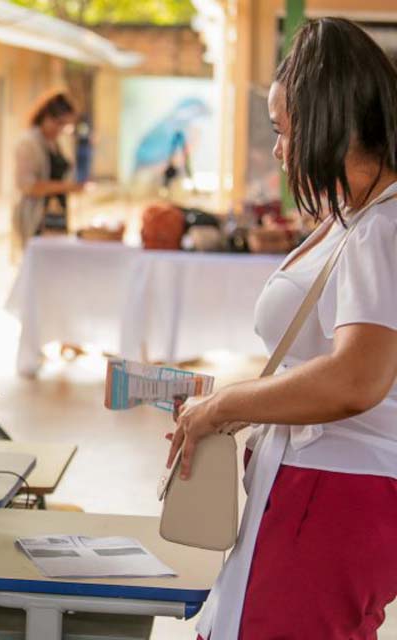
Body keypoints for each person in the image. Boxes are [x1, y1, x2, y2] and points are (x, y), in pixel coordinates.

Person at [167, 18, 397, 639]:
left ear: (325, 122)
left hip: (337, 492)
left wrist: (228, 407)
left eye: (282, 130)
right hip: (313, 484)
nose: (278, 148)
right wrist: (233, 405)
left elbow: (359, 377)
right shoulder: (355, 215)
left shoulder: (384, 227)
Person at [11, 91, 84, 257]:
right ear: (46, 117)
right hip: (36, 219)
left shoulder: (56, 142)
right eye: (59, 123)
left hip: (56, 217)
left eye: (66, 126)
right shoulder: (29, 143)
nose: (61, 129)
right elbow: (27, 185)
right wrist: (66, 187)